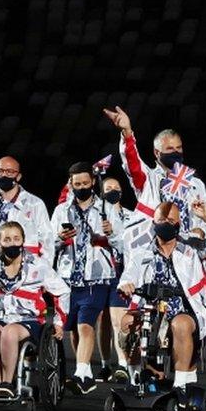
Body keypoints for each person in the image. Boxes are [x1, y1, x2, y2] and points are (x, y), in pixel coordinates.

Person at [103, 106, 206, 274]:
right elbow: (132, 163)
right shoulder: (148, 179)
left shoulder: (195, 183)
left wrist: (202, 230)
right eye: (170, 149)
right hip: (156, 255)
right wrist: (127, 132)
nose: (176, 152)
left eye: (179, 148)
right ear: (157, 152)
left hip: (190, 256)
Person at [118, 201, 206, 394]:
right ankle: (134, 377)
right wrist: (126, 285)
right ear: (153, 222)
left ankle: (180, 384)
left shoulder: (191, 249)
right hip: (149, 305)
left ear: (178, 223)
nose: (165, 224)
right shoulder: (141, 252)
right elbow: (128, 276)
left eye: (171, 220)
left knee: (180, 324)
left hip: (183, 306)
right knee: (127, 322)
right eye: (161, 220)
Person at [0, 222, 70, 398]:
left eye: (16, 238)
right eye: (7, 239)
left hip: (28, 320)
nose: (12, 243)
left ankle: (8, 383)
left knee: (9, 332)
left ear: (23, 240)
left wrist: (59, 323)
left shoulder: (37, 265)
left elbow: (63, 291)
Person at [50, 162, 118, 395]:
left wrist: (110, 235)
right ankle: (85, 370)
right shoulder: (61, 211)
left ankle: (81, 373)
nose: (81, 188)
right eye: (77, 184)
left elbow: (121, 245)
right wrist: (60, 237)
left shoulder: (106, 209)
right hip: (68, 277)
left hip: (96, 276)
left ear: (93, 183)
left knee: (86, 323)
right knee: (74, 329)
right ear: (70, 184)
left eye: (85, 184)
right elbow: (49, 244)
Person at [0, 156, 54, 270]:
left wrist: (45, 275)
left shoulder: (35, 204)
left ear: (18, 176)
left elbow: (47, 243)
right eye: (0, 171)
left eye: (10, 172)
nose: (5, 175)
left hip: (27, 275)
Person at [99, 177, 132, 382]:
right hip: (101, 272)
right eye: (108, 188)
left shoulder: (130, 216)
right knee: (102, 321)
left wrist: (113, 234)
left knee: (118, 320)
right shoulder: (96, 215)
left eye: (116, 188)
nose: (112, 191)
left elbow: (128, 245)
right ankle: (104, 364)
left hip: (122, 271)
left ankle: (122, 364)